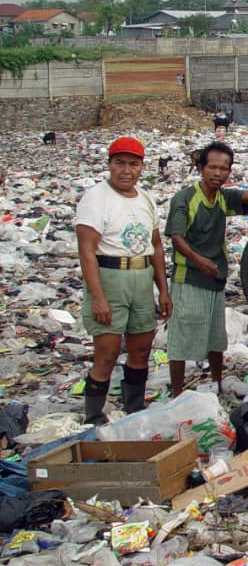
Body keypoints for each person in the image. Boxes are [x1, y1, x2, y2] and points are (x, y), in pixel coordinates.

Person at [165, 142, 248, 396]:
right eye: (212, 167)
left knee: (215, 337)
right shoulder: (185, 199)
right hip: (189, 277)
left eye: (224, 169)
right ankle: (177, 394)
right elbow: (176, 238)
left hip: (214, 278)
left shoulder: (222, 197)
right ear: (201, 168)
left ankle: (218, 383)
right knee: (181, 338)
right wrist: (200, 261)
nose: (218, 173)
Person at [76, 137, 172, 425]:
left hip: (141, 279)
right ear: (109, 165)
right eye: (120, 163)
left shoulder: (145, 198)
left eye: (133, 164)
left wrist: (163, 291)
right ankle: (93, 416)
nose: (126, 170)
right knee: (106, 352)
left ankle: (134, 409)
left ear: (141, 167)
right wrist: (98, 297)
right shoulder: (96, 198)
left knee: (141, 349)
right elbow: (87, 251)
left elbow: (156, 247)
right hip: (110, 277)